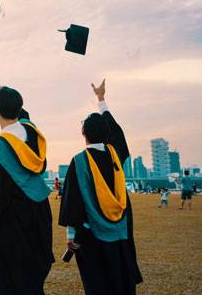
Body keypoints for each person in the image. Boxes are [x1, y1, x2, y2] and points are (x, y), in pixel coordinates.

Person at [58, 79, 143, 294]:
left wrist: (70, 235)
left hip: (91, 235)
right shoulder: (116, 154)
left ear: (83, 133)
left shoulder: (79, 161)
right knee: (121, 280)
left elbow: (72, 202)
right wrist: (101, 99)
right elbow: (116, 132)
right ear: (107, 134)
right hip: (121, 233)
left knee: (98, 283)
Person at [0, 72, 53, 294]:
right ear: (19, 109)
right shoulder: (32, 134)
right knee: (33, 280)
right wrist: (0, 89)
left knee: (10, 281)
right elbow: (24, 117)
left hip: (14, 223)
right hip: (40, 213)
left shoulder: (0, 151)